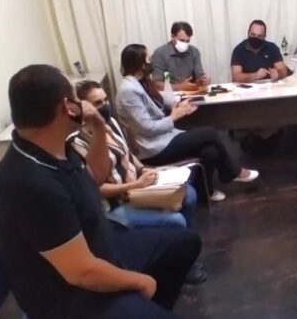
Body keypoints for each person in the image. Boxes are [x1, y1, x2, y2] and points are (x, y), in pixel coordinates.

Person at [0, 64, 200, 319]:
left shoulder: (55, 146)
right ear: (67, 107)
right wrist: (140, 281)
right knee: (145, 283)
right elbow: (81, 272)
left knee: (186, 243)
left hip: (102, 249)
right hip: (70, 296)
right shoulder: (28, 184)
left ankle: (151, 308)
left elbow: (95, 176)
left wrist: (98, 125)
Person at [70, 80, 207, 284]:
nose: (105, 106)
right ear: (84, 108)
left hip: (138, 189)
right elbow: (95, 189)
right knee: (176, 220)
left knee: (189, 194)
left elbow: (128, 155)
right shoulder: (77, 143)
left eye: (105, 100)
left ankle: (180, 251)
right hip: (114, 206)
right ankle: (178, 262)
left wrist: (144, 169)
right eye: (97, 103)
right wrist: (135, 185)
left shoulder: (111, 124)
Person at [116, 44, 259, 202]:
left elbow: (160, 99)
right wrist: (174, 116)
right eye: (149, 60)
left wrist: (180, 101)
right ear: (139, 64)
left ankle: (205, 193)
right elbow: (148, 128)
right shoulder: (129, 90)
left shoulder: (142, 81)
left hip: (164, 138)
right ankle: (232, 172)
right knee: (210, 133)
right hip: (154, 149)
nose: (152, 63)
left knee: (210, 151)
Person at [151, 21, 210, 91]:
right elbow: (156, 84)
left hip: (191, 93)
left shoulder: (194, 51)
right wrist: (180, 87)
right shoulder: (160, 53)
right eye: (181, 40)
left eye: (187, 41)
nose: (185, 44)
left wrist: (203, 80)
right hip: (171, 94)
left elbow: (199, 75)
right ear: (172, 37)